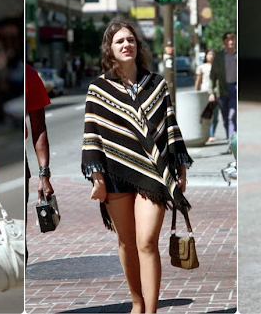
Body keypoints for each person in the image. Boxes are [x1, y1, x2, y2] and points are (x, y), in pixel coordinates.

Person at [81, 19, 193, 314]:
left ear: (137, 45)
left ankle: (151, 310)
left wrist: (179, 168)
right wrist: (97, 179)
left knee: (146, 242)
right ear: (110, 48)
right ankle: (137, 301)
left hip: (153, 174)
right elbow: (92, 136)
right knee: (127, 243)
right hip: (115, 175)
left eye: (130, 40)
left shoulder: (156, 84)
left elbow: (170, 127)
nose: (126, 45)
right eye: (119, 41)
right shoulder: (98, 89)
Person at [25, 63, 55, 262]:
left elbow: (39, 128)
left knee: (20, 244)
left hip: (22, 164)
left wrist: (43, 175)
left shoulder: (29, 75)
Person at [209, 31, 237, 139]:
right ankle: (230, 139)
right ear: (224, 42)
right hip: (222, 90)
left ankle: (232, 143)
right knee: (226, 117)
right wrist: (211, 92)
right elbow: (213, 75)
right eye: (228, 39)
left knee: (232, 116)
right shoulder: (219, 56)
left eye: (232, 39)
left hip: (234, 88)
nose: (231, 42)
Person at [194, 49, 219, 142]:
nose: (211, 56)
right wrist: (196, 92)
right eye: (209, 54)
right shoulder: (201, 67)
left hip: (217, 93)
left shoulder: (218, 66)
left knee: (215, 115)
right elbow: (198, 81)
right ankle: (205, 133)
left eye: (213, 54)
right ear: (206, 56)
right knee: (205, 115)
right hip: (205, 93)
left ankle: (211, 134)